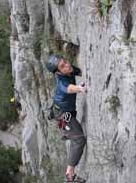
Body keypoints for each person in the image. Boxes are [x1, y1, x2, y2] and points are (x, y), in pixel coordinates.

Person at [46, 54, 87, 182]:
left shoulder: (69, 70)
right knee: (79, 139)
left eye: (65, 62)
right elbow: (69, 89)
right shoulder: (61, 81)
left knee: (72, 128)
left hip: (67, 111)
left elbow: (79, 71)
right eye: (62, 66)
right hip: (62, 113)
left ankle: (67, 131)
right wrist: (80, 88)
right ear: (57, 72)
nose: (67, 65)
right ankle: (69, 175)